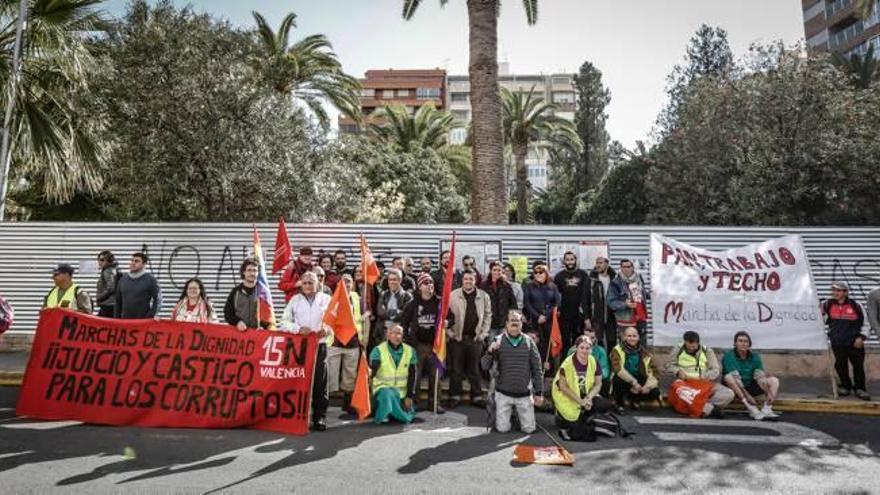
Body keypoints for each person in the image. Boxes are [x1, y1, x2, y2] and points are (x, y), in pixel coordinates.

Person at [280, 271, 332, 431]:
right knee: (298, 381)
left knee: (319, 383)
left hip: (319, 345)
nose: (308, 286)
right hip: (299, 347)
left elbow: (335, 321)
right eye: (305, 283)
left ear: (318, 284)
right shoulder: (295, 300)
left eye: (311, 282)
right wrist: (297, 328)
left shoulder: (327, 299)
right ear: (301, 284)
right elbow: (283, 322)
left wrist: (327, 329)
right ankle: (299, 416)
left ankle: (319, 417)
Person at [481, 310, 543, 433]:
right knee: (502, 429)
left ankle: (518, 417)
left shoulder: (529, 342)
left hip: (524, 394)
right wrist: (489, 352)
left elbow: (537, 369)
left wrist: (539, 393)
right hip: (503, 394)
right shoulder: (497, 341)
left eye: (517, 320)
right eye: (512, 320)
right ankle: (511, 417)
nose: (514, 322)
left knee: (529, 429)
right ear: (506, 323)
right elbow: (484, 366)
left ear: (521, 324)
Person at [399, 273, 451, 413]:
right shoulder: (413, 303)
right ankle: (414, 403)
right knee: (415, 376)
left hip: (436, 346)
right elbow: (403, 322)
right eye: (426, 283)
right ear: (420, 287)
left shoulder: (440, 302)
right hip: (418, 346)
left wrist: (448, 322)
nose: (430, 286)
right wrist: (406, 339)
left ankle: (434, 403)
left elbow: (451, 318)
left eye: (431, 283)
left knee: (436, 376)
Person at [552, 335, 614, 441]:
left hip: (584, 395)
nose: (584, 351)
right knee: (579, 430)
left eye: (587, 348)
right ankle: (560, 416)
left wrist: (589, 398)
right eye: (581, 347)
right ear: (576, 348)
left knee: (607, 405)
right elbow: (563, 387)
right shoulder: (567, 364)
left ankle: (585, 414)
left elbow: (598, 384)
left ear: (591, 349)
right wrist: (581, 402)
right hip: (567, 396)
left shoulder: (593, 361)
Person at [446, 270, 492, 408]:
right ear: (462, 280)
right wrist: (449, 333)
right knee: (456, 369)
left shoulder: (483, 296)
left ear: (475, 280)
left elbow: (488, 316)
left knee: (474, 369)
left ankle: (477, 396)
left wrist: (483, 334)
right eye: (466, 279)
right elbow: (443, 317)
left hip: (475, 339)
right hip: (457, 338)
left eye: (471, 279)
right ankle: (455, 396)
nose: (468, 281)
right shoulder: (452, 295)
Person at [665, 331, 734, 418]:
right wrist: (678, 371)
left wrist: (704, 377)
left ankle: (704, 408)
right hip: (685, 383)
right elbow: (669, 365)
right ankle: (710, 410)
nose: (693, 345)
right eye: (690, 343)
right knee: (678, 391)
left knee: (729, 393)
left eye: (696, 343)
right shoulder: (678, 349)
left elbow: (715, 370)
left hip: (703, 382)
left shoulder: (707, 350)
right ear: (685, 342)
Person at [822, 282, 870, 400]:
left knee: (858, 366)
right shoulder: (827, 304)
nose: (835, 293)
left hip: (854, 342)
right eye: (834, 290)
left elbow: (866, 323)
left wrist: (861, 337)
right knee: (840, 365)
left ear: (845, 292)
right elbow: (823, 321)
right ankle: (845, 386)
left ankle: (860, 388)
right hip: (837, 342)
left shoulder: (856, 305)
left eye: (838, 291)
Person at [722, 331, 780, 420]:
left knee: (774, 380)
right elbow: (736, 379)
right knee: (728, 377)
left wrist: (769, 393)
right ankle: (751, 409)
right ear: (735, 343)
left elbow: (759, 376)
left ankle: (767, 409)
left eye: (746, 341)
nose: (743, 344)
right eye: (740, 341)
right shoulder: (729, 356)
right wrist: (747, 396)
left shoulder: (755, 356)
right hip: (735, 387)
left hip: (749, 384)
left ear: (749, 344)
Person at [327, 274, 363, 415]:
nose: (346, 284)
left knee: (350, 374)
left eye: (349, 282)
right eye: (344, 282)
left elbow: (360, 318)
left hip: (353, 342)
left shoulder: (357, 298)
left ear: (353, 284)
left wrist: (362, 336)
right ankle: (325, 404)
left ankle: (347, 404)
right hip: (335, 342)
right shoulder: (332, 298)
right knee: (331, 374)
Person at [369, 324, 418, 424]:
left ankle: (393, 412)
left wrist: (409, 396)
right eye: (393, 333)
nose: (397, 336)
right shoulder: (378, 350)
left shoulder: (410, 351)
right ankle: (384, 414)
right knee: (388, 394)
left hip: (401, 393)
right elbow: (373, 370)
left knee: (408, 413)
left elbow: (413, 375)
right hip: (382, 389)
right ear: (388, 335)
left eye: (399, 333)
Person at [610, 327, 660, 411]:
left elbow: (654, 371)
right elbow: (618, 369)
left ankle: (635, 398)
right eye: (629, 336)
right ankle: (619, 403)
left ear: (638, 337)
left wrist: (648, 386)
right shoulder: (616, 350)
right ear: (624, 337)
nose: (632, 338)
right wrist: (634, 383)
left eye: (634, 336)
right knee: (617, 378)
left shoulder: (644, 351)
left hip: (639, 378)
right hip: (625, 379)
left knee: (655, 392)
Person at [522, 261, 559, 369]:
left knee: (548, 344)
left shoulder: (553, 286)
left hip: (549, 320)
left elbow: (557, 303)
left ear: (546, 273)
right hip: (534, 320)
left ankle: (548, 367)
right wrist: (537, 316)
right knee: (535, 343)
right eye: (536, 272)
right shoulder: (529, 286)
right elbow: (527, 303)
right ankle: (534, 366)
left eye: (541, 272)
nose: (538, 274)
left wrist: (546, 316)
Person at [553, 251, 592, 351]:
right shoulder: (558, 276)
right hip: (564, 314)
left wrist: (587, 316)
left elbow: (586, 295)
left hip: (579, 314)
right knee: (565, 341)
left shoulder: (583, 274)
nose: (570, 262)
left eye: (572, 259)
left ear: (575, 260)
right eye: (567, 259)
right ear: (564, 261)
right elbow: (556, 296)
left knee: (579, 340)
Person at [607, 259, 649, 343]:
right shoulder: (615, 283)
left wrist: (649, 294)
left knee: (642, 345)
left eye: (628, 266)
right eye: (623, 267)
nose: (626, 269)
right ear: (621, 268)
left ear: (632, 267)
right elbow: (611, 302)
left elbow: (640, 296)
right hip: (626, 320)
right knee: (626, 345)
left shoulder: (638, 278)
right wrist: (625, 304)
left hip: (640, 318)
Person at [223, 258, 272, 330]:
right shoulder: (235, 292)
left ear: (258, 273)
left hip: (258, 335)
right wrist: (237, 322)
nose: (252, 273)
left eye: (255, 270)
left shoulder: (264, 292)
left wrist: (263, 326)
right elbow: (227, 313)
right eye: (249, 270)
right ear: (243, 272)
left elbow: (269, 315)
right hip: (239, 335)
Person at [566, 327, 611, 397]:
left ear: (595, 338)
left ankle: (602, 399)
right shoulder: (572, 350)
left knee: (605, 381)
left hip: (595, 379)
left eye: (592, 338)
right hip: (579, 379)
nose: (589, 340)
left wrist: (592, 377)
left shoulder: (601, 351)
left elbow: (605, 371)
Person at [115, 252, 161, 319]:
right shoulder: (123, 279)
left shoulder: (151, 280)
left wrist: (150, 316)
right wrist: (116, 318)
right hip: (125, 322)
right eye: (132, 260)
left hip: (142, 324)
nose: (133, 263)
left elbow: (158, 300)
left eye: (137, 261)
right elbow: (118, 301)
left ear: (144, 264)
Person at [480, 261, 519, 341]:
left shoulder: (506, 285)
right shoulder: (483, 286)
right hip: (490, 323)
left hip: (503, 323)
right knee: (492, 347)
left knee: (503, 346)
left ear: (502, 272)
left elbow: (513, 304)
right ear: (491, 271)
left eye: (499, 270)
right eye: (494, 270)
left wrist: (510, 319)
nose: (497, 272)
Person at [375, 269, 413, 341]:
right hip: (384, 332)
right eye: (390, 280)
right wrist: (397, 311)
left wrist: (387, 312)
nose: (392, 282)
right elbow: (380, 312)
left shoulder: (407, 296)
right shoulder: (383, 294)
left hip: (400, 332)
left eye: (395, 279)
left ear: (400, 281)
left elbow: (405, 315)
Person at [589, 257, 617, 349]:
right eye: (597, 262)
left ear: (607, 264)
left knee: (612, 341)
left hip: (611, 315)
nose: (598, 265)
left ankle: (611, 362)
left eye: (601, 262)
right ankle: (599, 363)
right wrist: (587, 317)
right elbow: (586, 298)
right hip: (596, 315)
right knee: (597, 341)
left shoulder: (614, 278)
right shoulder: (591, 279)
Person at [94, 250, 119, 317]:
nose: (99, 262)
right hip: (109, 304)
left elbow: (111, 288)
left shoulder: (108, 271)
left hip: (108, 305)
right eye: (98, 260)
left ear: (109, 261)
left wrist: (100, 297)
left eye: (102, 260)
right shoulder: (112, 270)